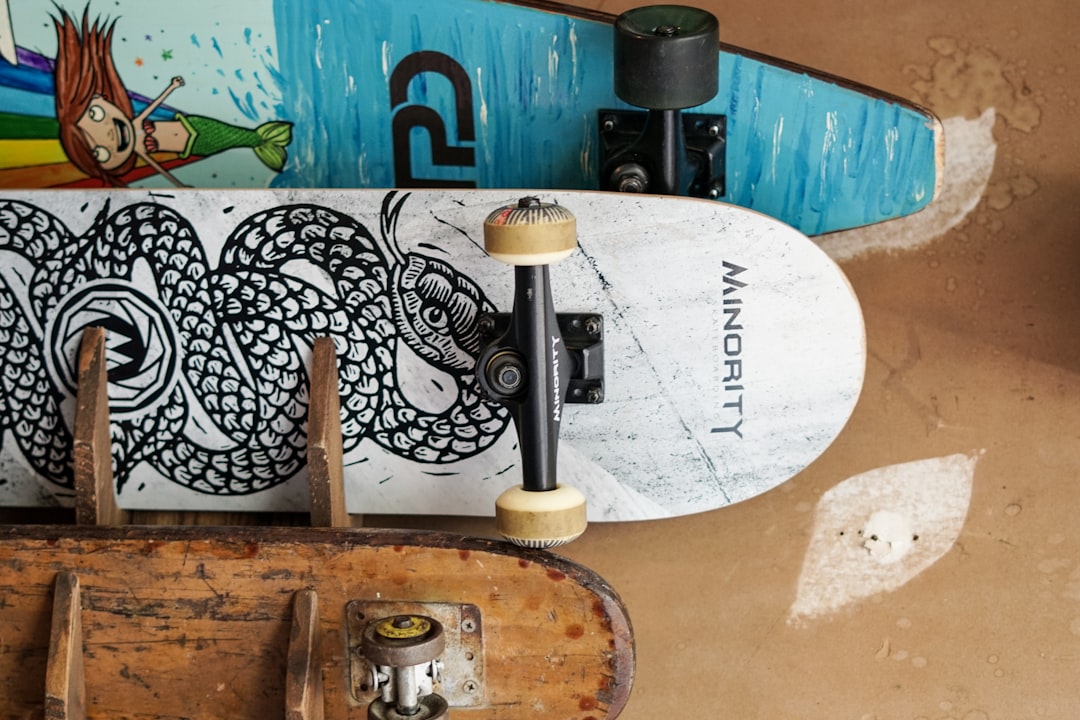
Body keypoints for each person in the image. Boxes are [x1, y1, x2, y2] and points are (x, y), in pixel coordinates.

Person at [53, 8, 293, 187]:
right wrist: (179, 186)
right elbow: (157, 166)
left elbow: (153, 106)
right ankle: (262, 141)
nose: (106, 134)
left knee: (232, 133)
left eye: (94, 115)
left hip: (194, 124)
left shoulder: (136, 122)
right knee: (230, 140)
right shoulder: (139, 148)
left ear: (99, 97)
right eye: (100, 153)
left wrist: (171, 87)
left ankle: (261, 138)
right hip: (196, 145)